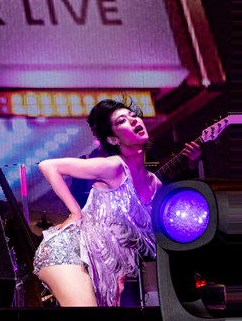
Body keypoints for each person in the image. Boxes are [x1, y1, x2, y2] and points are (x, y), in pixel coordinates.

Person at [32, 98, 160, 307]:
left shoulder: (154, 184)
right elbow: (48, 166)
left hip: (102, 263)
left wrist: (117, 281)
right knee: (90, 319)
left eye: (133, 116)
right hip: (69, 250)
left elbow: (123, 239)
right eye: (122, 121)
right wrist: (75, 212)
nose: (133, 120)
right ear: (113, 139)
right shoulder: (113, 167)